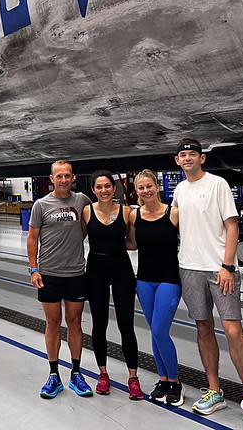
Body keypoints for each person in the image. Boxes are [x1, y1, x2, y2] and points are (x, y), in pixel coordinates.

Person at [173, 137, 243, 430]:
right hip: (189, 268)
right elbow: (173, 222)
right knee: (203, 327)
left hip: (219, 270)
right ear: (177, 161)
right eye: (183, 155)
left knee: (232, 329)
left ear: (202, 158)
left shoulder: (217, 184)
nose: (188, 158)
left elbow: (232, 225)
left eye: (192, 154)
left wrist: (228, 266)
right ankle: (214, 391)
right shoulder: (179, 189)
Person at [27, 160, 93, 399]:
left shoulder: (82, 201)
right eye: (59, 176)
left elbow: (89, 225)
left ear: (73, 177)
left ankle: (76, 373)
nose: (64, 180)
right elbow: (32, 238)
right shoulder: (41, 205)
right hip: (49, 274)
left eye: (67, 176)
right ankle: (54, 375)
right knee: (52, 323)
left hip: (76, 273)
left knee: (75, 323)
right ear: (51, 179)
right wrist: (34, 269)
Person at [82, 170, 143, 400]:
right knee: (99, 323)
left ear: (114, 187)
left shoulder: (127, 212)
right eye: (99, 187)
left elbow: (133, 243)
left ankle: (133, 377)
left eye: (107, 186)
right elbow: (77, 238)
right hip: (96, 269)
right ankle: (103, 374)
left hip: (121, 269)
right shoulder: (86, 212)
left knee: (126, 325)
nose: (104, 190)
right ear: (93, 190)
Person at [127, 170, 183, 406]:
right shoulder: (133, 216)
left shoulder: (174, 213)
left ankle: (176, 383)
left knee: (160, 330)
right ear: (137, 191)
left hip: (169, 280)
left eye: (149, 186)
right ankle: (163, 380)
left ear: (157, 187)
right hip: (145, 280)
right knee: (154, 331)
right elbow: (130, 243)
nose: (146, 191)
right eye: (141, 188)